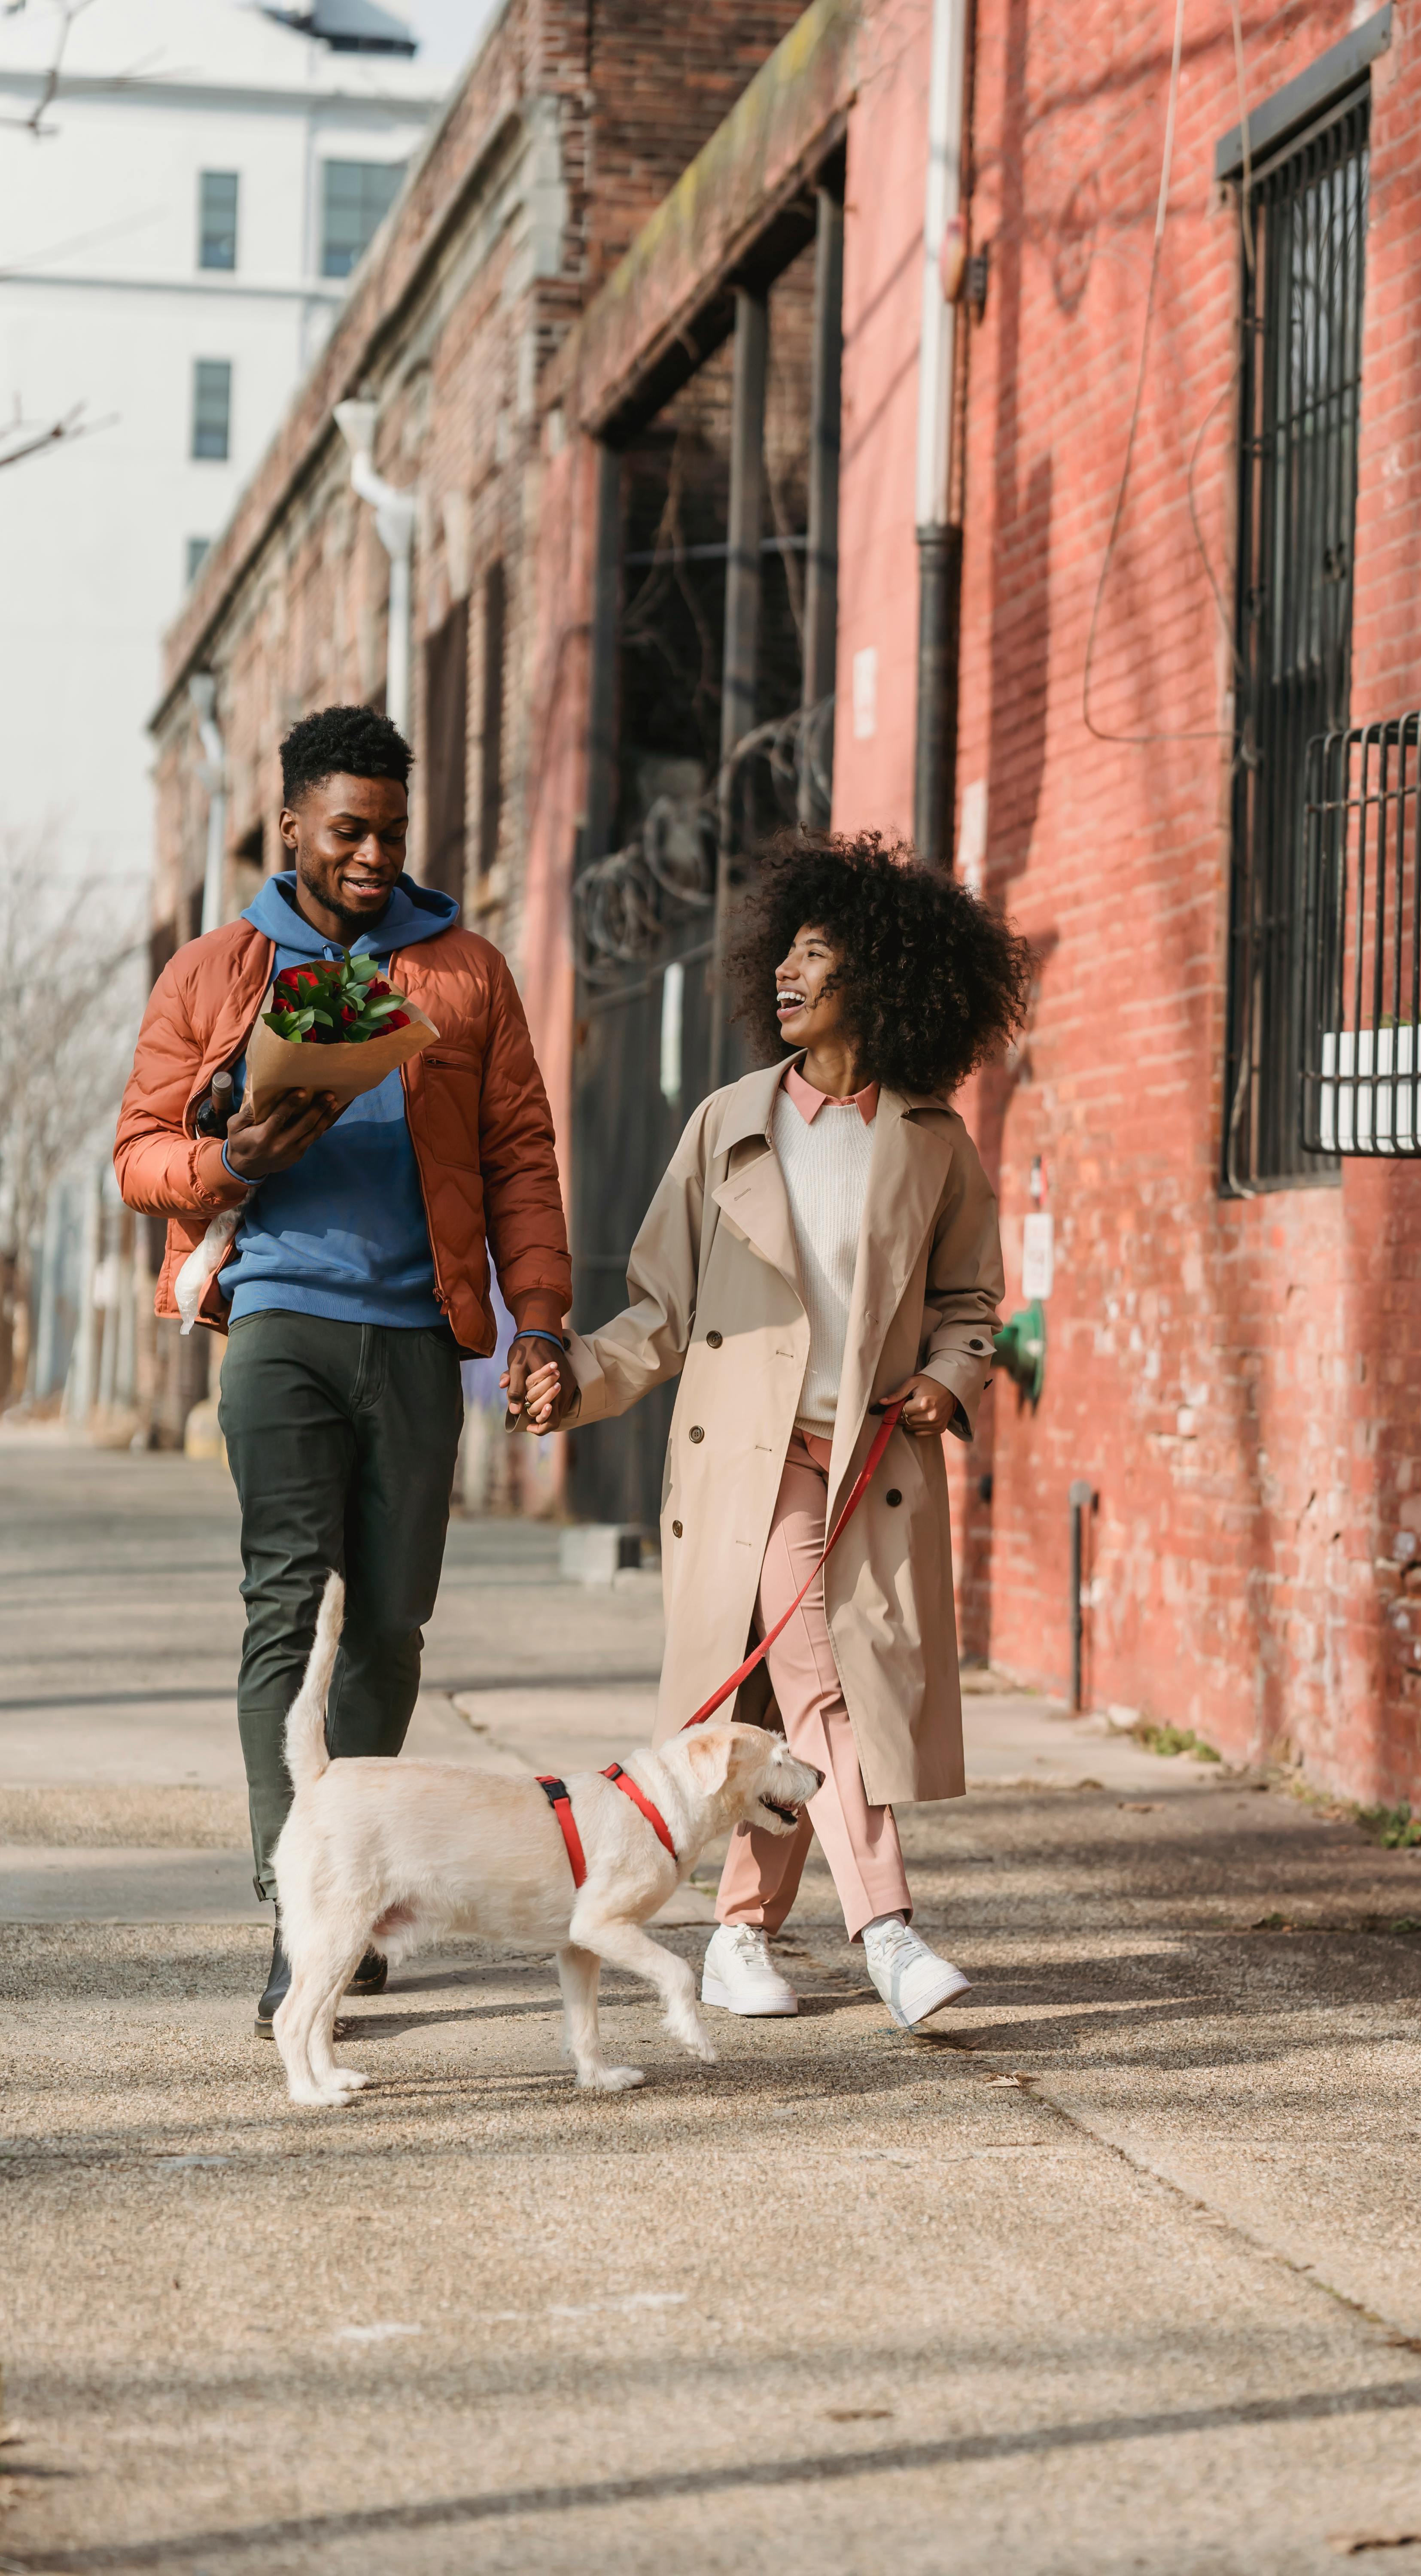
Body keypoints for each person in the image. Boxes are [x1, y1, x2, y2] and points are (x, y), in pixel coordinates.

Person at [115, 705, 575, 2032]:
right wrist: (229, 1161)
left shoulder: (465, 970)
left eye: (391, 830)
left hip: (421, 1340)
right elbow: (139, 1154)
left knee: (386, 1624)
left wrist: (536, 1316)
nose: (373, 854)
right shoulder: (218, 971)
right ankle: (299, 1908)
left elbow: (522, 1161)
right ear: (293, 830)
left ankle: (357, 1886)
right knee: (281, 1612)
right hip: (278, 1328)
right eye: (349, 831)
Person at [560, 830, 1032, 2028]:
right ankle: (888, 1926)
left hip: (867, 1463)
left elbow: (975, 1299)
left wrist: (949, 1375)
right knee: (825, 1681)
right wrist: (576, 1380)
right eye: (782, 956)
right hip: (746, 1464)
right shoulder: (727, 1123)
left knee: (774, 1699)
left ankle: (736, 1935)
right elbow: (660, 1311)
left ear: (875, 979)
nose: (784, 976)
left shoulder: (930, 1142)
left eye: (812, 958)